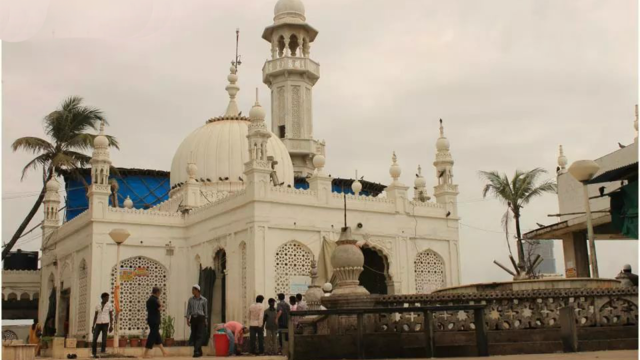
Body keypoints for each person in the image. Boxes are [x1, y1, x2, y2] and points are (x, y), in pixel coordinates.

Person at [142, 287, 168, 358]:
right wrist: (161, 304)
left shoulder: (149, 300)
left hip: (151, 320)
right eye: (159, 293)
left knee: (157, 336)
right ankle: (145, 354)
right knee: (152, 336)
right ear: (157, 292)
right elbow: (160, 308)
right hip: (155, 320)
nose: (160, 294)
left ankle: (164, 352)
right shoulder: (155, 300)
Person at [186, 285, 208, 358]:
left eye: (193, 290)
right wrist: (187, 319)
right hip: (193, 318)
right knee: (194, 335)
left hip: (201, 318)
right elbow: (188, 310)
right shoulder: (190, 300)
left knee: (200, 335)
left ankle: (196, 351)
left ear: (197, 290)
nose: (192, 291)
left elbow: (205, 311)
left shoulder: (204, 300)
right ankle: (199, 351)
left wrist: (206, 320)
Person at [91, 293, 113, 358]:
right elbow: (95, 316)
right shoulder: (97, 305)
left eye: (108, 297)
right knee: (94, 338)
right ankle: (93, 352)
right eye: (107, 297)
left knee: (104, 338)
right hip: (98, 323)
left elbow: (111, 315)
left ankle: (103, 351)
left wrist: (111, 325)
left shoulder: (109, 305)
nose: (108, 299)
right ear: (103, 298)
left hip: (105, 323)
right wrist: (93, 326)